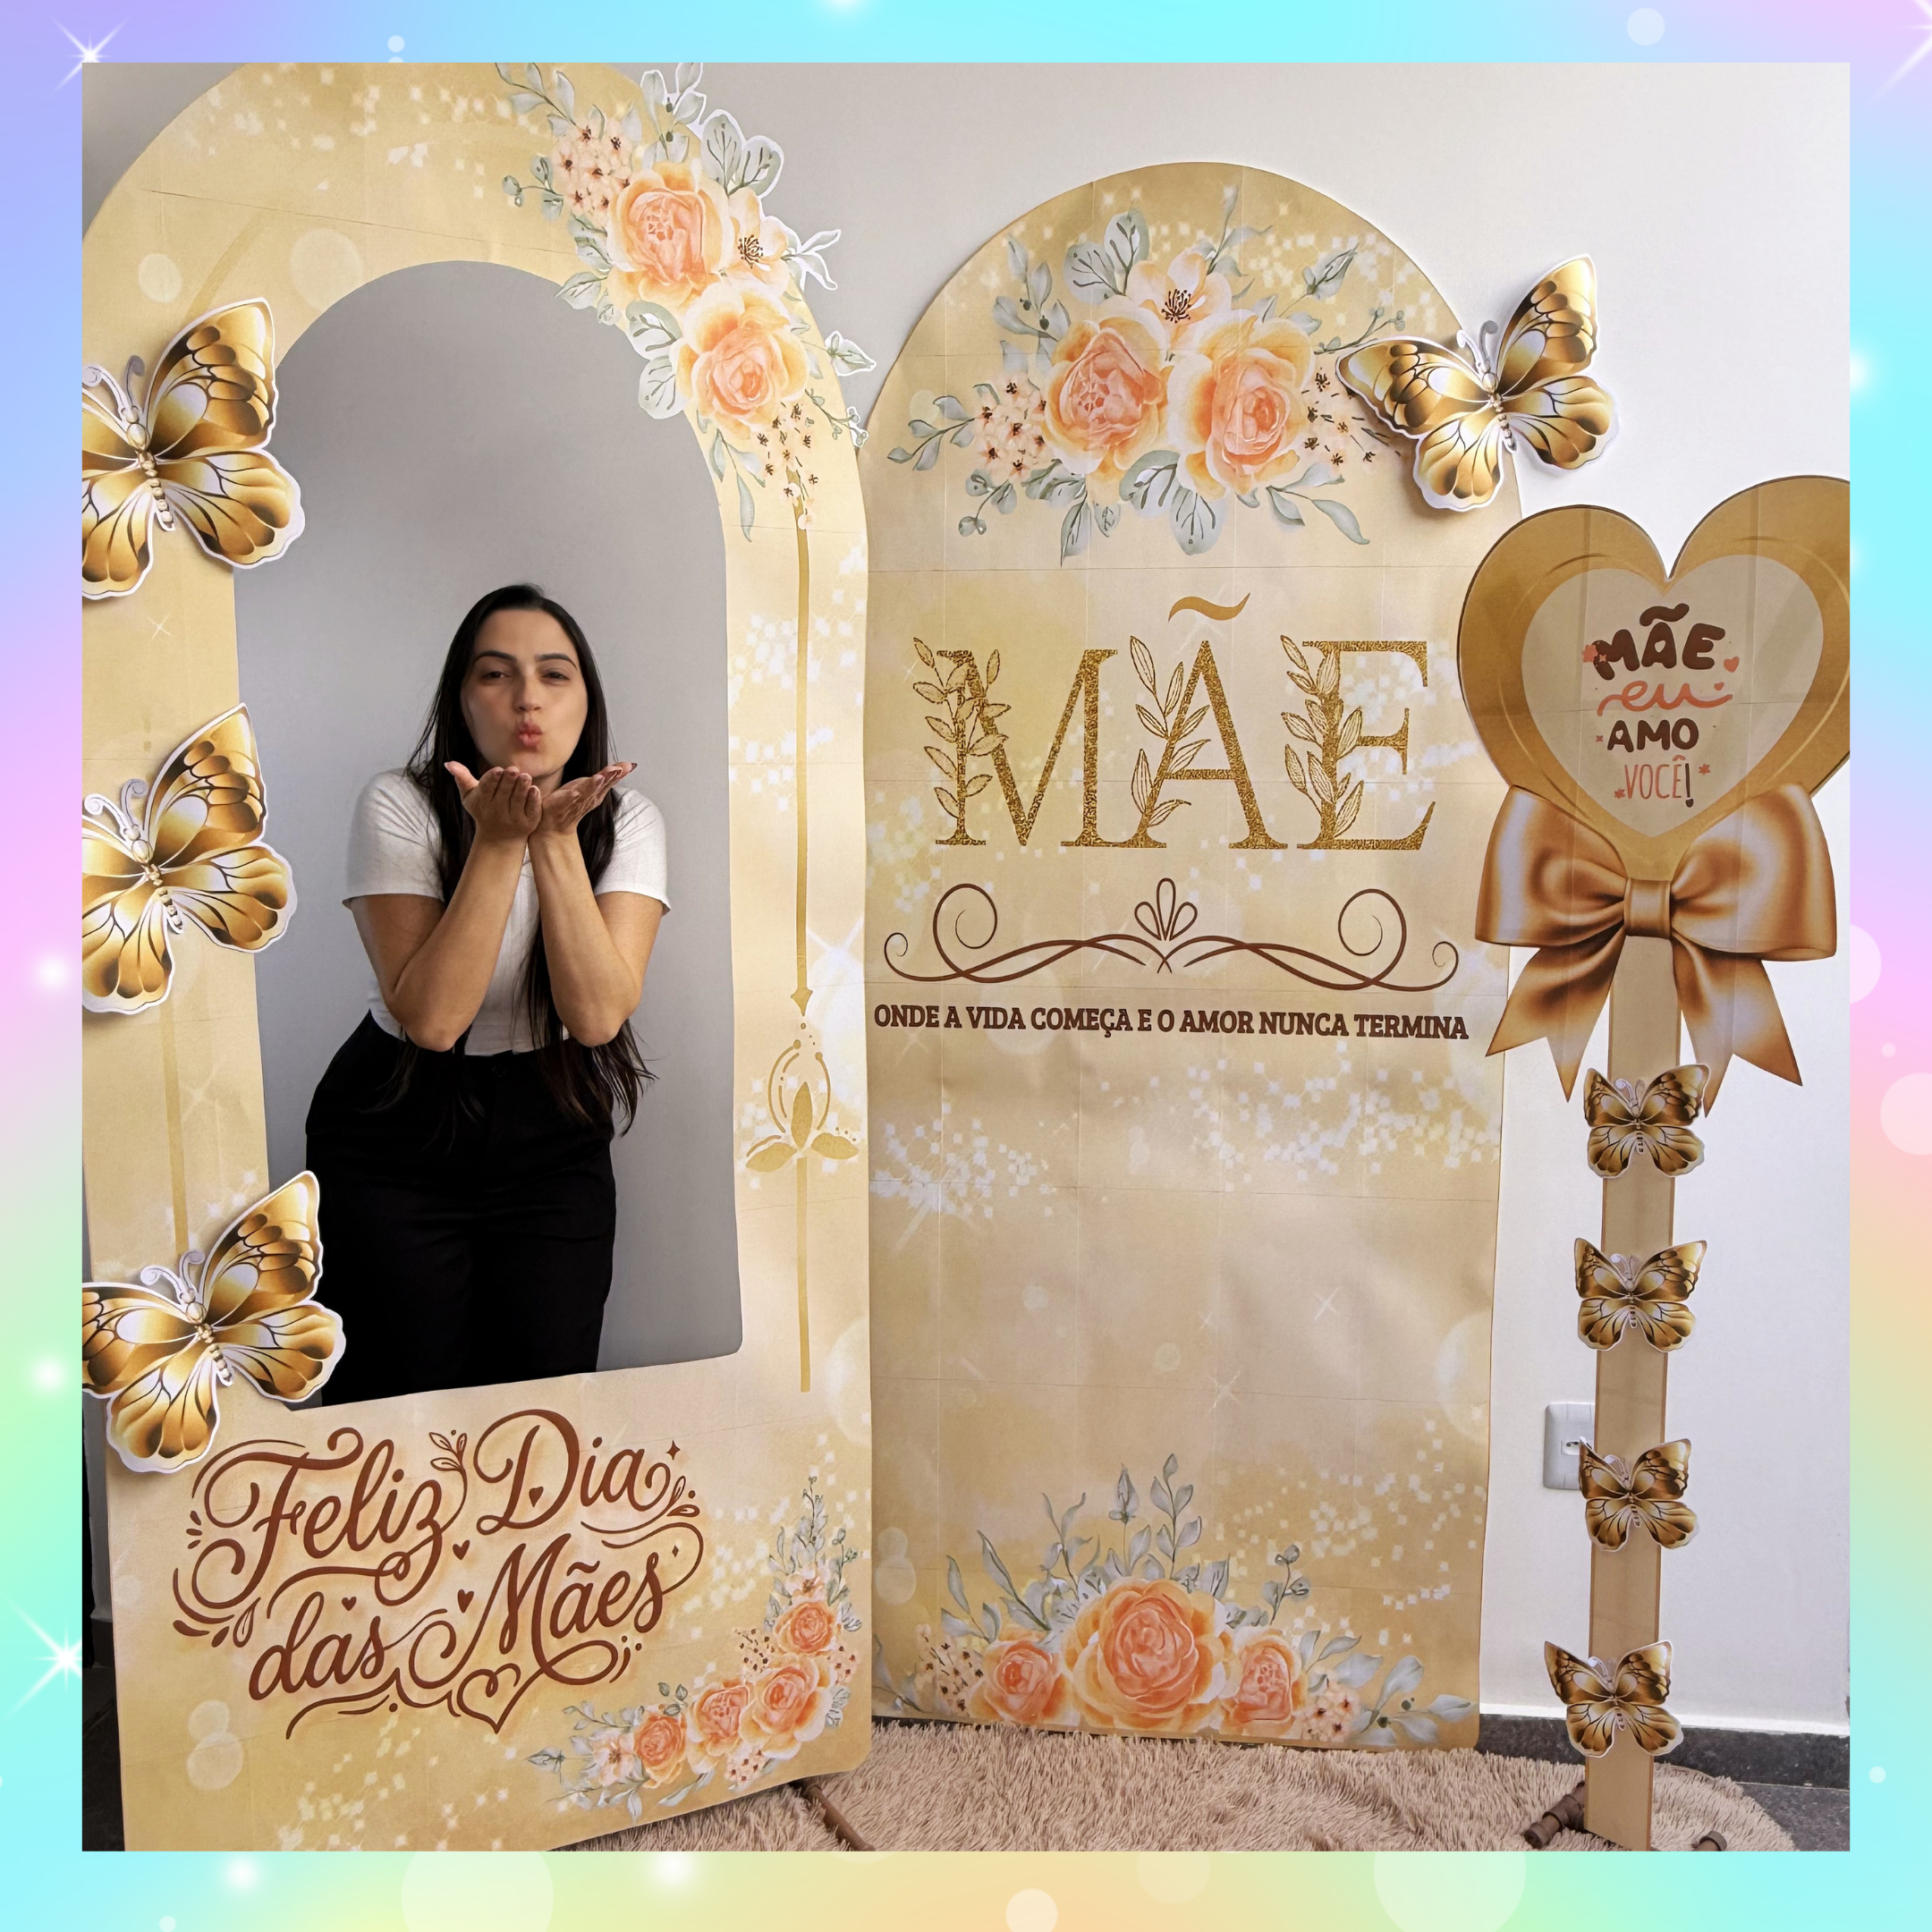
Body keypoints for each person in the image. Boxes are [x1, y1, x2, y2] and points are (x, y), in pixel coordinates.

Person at [307, 583, 667, 1402]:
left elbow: (597, 1017)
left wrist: (556, 838)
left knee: (546, 1401)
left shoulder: (629, 821)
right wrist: (499, 843)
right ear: (461, 698)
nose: (527, 698)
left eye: (554, 674)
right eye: (496, 674)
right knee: (396, 1401)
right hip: (395, 1126)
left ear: (586, 699)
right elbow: (433, 1021)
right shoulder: (400, 804)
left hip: (553, 1127)